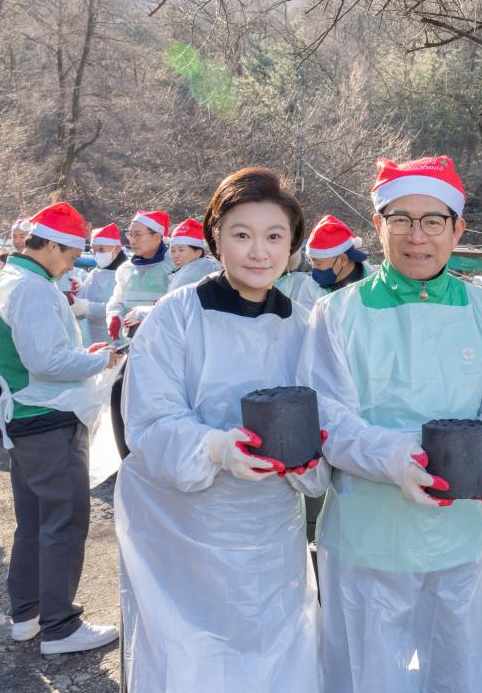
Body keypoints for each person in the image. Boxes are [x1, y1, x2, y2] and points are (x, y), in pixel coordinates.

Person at [297, 155, 482, 693]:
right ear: (377, 226)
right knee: (369, 674)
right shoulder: (338, 313)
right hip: (368, 536)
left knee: (465, 671)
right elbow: (327, 416)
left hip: (464, 536)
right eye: (400, 219)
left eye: (433, 221)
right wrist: (398, 458)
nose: (416, 236)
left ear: (457, 229)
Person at [115, 168, 329, 691]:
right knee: (192, 653)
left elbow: (327, 420)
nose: (259, 252)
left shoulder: (305, 326)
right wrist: (215, 446)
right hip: (182, 527)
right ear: (215, 237)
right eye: (242, 234)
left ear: (293, 245)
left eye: (274, 237)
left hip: (268, 526)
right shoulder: (176, 316)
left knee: (273, 644)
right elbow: (149, 419)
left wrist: (309, 460)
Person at [0, 202, 123, 654]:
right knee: (64, 521)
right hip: (48, 418)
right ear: (54, 245)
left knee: (34, 522)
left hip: (24, 418)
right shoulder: (35, 289)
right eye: (71, 253)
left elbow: (42, 354)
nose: (71, 263)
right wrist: (105, 357)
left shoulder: (12, 280)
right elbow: (48, 361)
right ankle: (61, 627)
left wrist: (87, 351)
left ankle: (28, 615)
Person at [118, 218, 222, 329]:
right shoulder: (193, 268)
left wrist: (142, 312)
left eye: (181, 250)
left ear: (198, 252)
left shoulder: (192, 273)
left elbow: (177, 310)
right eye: (173, 250)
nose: (176, 255)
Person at [105, 210, 174, 342]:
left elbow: (177, 307)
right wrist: (114, 316)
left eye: (138, 235)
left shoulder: (173, 267)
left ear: (157, 237)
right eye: (130, 234)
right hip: (132, 345)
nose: (132, 240)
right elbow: (116, 301)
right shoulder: (125, 269)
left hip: (164, 347)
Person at [71, 223, 127, 345]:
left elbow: (120, 308)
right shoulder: (97, 272)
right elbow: (82, 301)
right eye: (94, 250)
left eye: (101, 249)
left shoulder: (125, 273)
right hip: (93, 341)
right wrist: (78, 290)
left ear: (116, 249)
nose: (97, 254)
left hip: (116, 341)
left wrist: (87, 308)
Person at [306, 214, 375, 295]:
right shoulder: (311, 290)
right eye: (311, 261)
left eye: (318, 263)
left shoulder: (376, 284)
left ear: (343, 260)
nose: (313, 267)